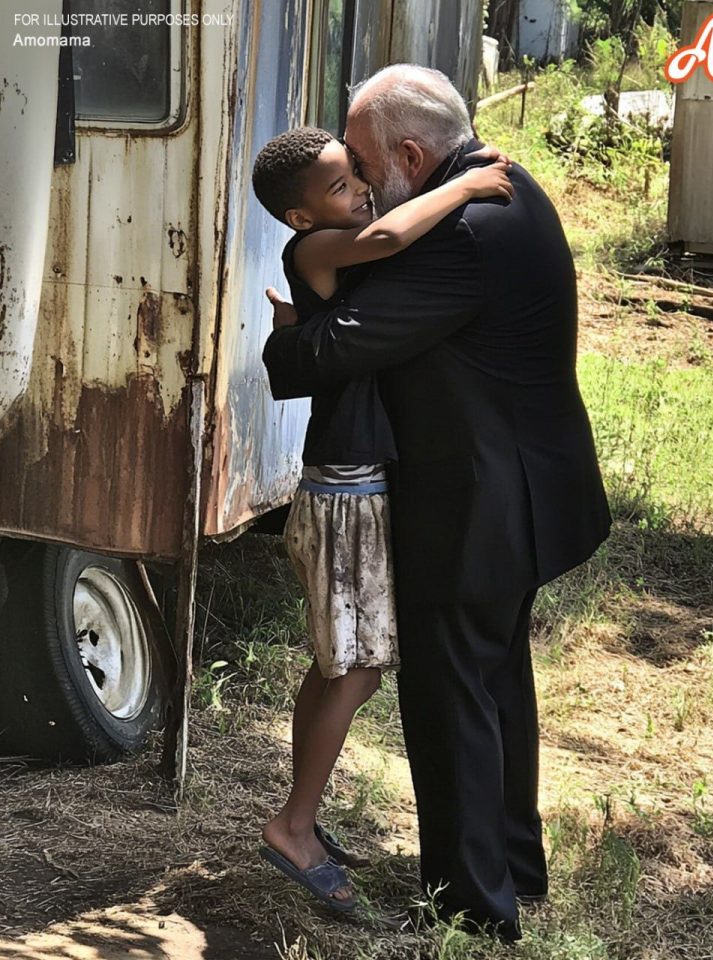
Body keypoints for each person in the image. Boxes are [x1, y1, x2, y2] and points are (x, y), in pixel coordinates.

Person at [262, 64, 612, 942]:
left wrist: (287, 340)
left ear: (413, 154)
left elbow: (333, 352)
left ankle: (472, 908)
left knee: (453, 698)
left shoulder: (457, 234)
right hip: (528, 491)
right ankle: (513, 866)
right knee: (497, 680)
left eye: (369, 171)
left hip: (478, 508)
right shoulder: (507, 185)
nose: (369, 191)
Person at [250, 126, 514, 912]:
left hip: (352, 479)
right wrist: (466, 185)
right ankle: (293, 826)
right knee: (356, 668)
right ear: (302, 220)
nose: (361, 191)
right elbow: (394, 231)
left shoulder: (326, 256)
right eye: (340, 186)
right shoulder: (318, 252)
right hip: (347, 486)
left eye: (356, 175)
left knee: (337, 665)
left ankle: (304, 815)